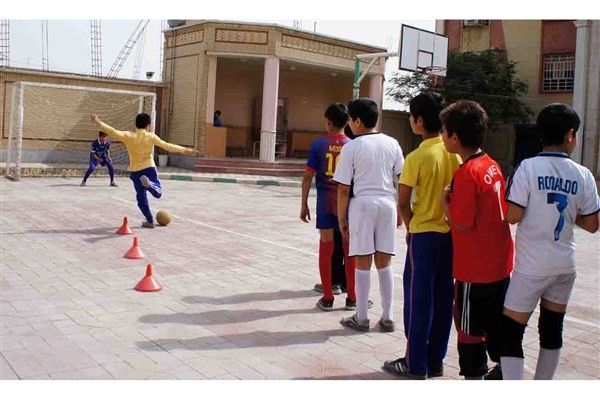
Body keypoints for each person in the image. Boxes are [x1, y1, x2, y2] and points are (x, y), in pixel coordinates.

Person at [499, 103, 600, 380]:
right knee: (552, 329)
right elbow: (592, 224)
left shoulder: (527, 168)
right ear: (570, 135)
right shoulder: (584, 174)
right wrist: (566, 214)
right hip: (564, 266)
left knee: (511, 332)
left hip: (532, 267)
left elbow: (513, 216)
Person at [383, 92, 460, 379]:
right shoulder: (455, 153)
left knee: (418, 300)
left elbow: (402, 201)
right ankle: (435, 360)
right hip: (450, 235)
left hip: (424, 235)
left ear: (417, 120)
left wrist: (411, 225)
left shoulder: (416, 157)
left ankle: (415, 363)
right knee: (443, 298)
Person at [439, 100, 514, 380]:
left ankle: (474, 377)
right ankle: (505, 368)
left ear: (455, 137)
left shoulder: (467, 173)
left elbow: (461, 222)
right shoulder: (491, 164)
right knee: (497, 324)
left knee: (469, 331)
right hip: (500, 263)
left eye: (445, 132)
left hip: (475, 269)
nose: (443, 137)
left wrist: (444, 203)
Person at [333, 97, 404, 332]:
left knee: (362, 259)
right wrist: (401, 210)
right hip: (387, 204)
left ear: (358, 121)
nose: (349, 125)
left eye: (351, 121)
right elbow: (401, 179)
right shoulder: (392, 143)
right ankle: (388, 316)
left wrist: (341, 218)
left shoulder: (351, 147)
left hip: (362, 205)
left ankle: (361, 317)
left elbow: (343, 188)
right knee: (385, 262)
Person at [90, 113, 198, 228]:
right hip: (149, 168)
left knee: (141, 198)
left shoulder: (129, 135)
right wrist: (184, 150)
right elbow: (166, 145)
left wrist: (98, 122)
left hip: (136, 171)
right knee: (158, 193)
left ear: (136, 124)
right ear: (148, 125)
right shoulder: (150, 136)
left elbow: (113, 131)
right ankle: (150, 184)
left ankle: (150, 221)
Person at [301, 103, 357, 311]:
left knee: (326, 247)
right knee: (349, 249)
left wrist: (303, 204)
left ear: (329, 122)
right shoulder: (352, 145)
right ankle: (352, 297)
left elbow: (308, 176)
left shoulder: (318, 144)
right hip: (347, 204)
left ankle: (327, 297)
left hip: (325, 203)